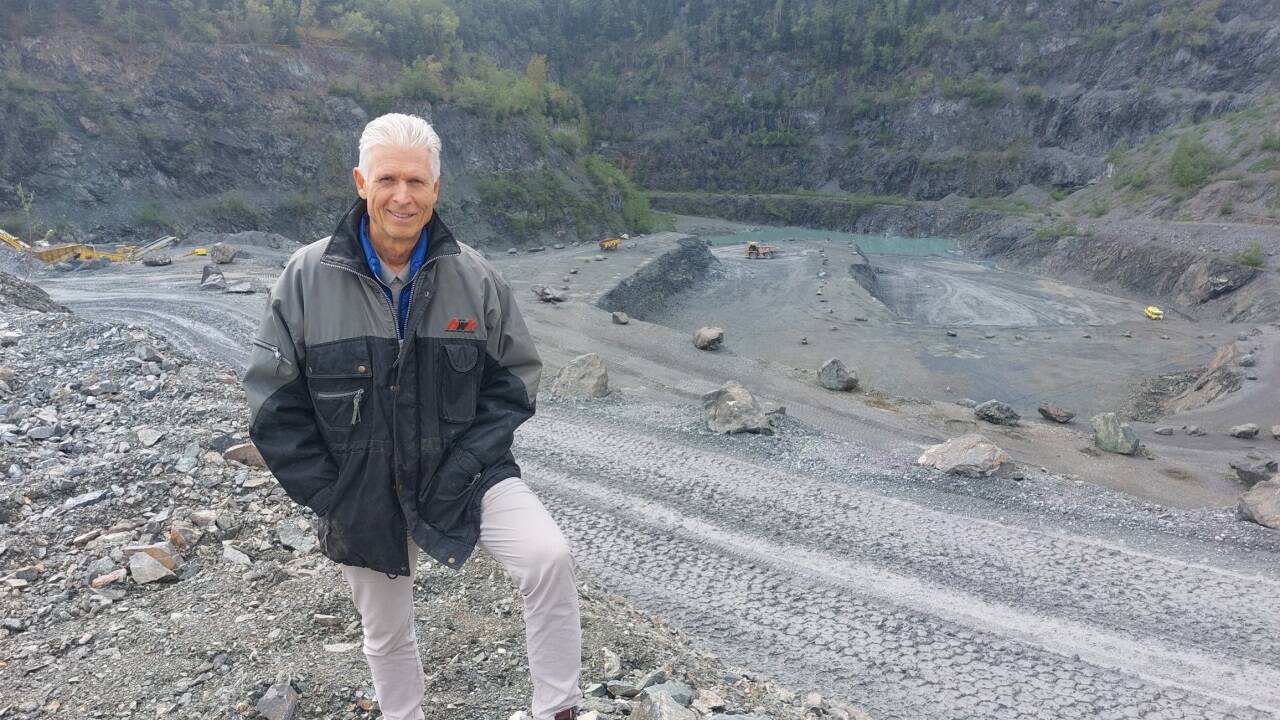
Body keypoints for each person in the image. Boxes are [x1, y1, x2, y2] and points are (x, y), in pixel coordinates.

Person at [244, 112, 582, 720]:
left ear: (436, 189)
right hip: (362, 487)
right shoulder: (305, 276)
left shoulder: (475, 277)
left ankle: (556, 708)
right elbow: (273, 404)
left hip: (468, 473)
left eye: (417, 181)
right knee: (386, 630)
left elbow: (513, 383)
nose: (403, 196)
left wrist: (470, 463)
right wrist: (331, 494)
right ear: (360, 181)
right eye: (388, 178)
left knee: (547, 557)